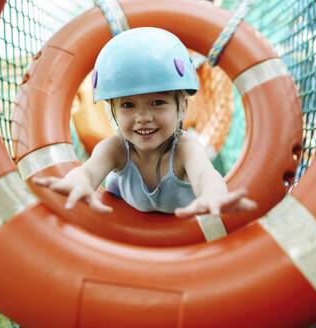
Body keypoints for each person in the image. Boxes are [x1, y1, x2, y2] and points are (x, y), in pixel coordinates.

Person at [33, 27, 256, 218]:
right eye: (128, 105)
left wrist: (212, 195)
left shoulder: (185, 148)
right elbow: (88, 172)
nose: (143, 117)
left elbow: (204, 175)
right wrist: (78, 183)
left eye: (157, 102)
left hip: (180, 245)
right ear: (113, 111)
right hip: (129, 244)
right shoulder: (115, 149)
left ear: (182, 108)